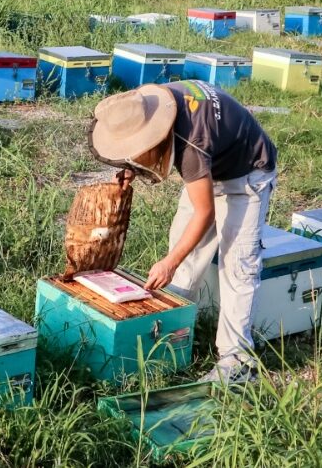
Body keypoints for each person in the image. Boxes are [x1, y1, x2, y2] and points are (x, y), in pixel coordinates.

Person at [88, 80, 277, 383]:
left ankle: (238, 361)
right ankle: (172, 332)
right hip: (211, 166)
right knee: (184, 250)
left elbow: (205, 212)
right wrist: (131, 167)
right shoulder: (153, 102)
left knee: (237, 265)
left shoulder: (191, 143)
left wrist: (169, 261)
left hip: (247, 175)